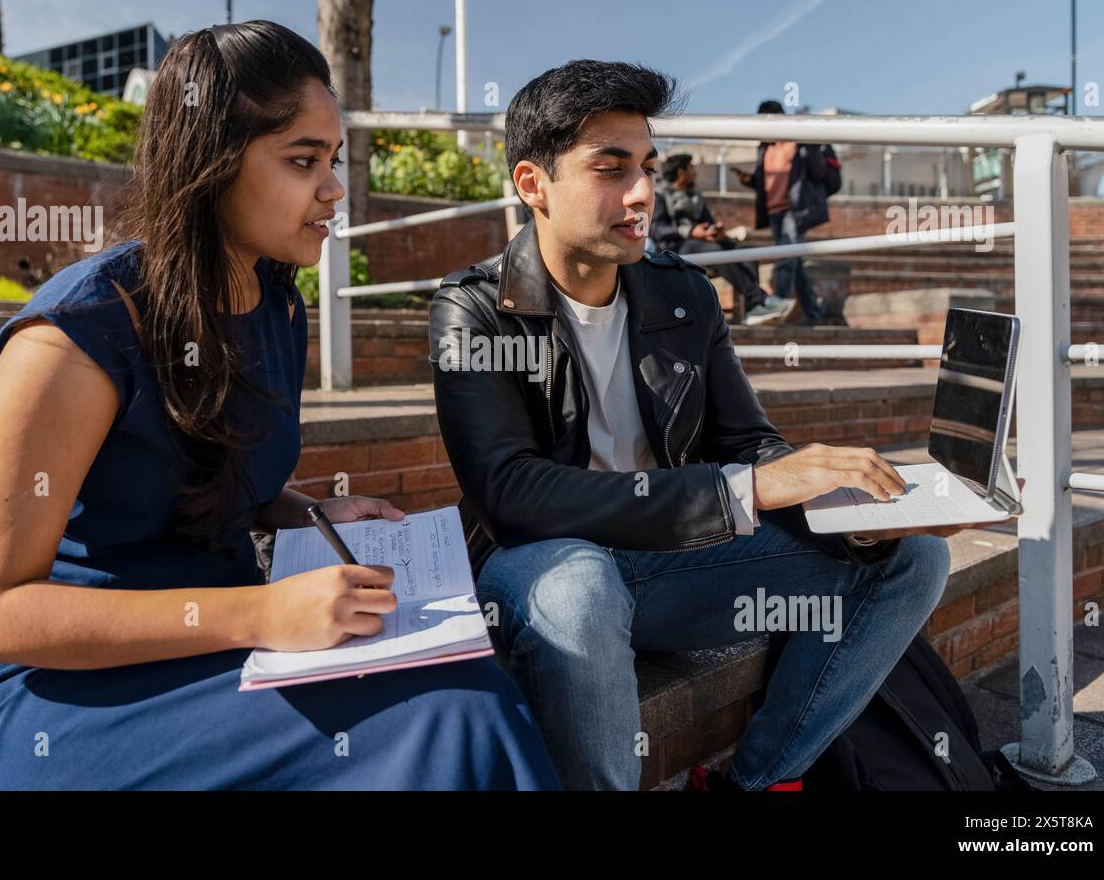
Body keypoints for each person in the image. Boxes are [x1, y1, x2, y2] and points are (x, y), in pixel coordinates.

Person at [0, 21, 561, 791]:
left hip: (225, 642)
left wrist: (307, 513)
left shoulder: (274, 301)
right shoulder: (75, 336)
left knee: (472, 692)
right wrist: (258, 616)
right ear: (207, 166)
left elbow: (216, 479)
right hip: (72, 693)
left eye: (332, 159)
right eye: (302, 160)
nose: (333, 188)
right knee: (454, 718)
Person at [428, 60, 1012, 791]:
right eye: (610, 169)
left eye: (645, 166)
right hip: (541, 570)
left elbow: (749, 446)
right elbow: (508, 491)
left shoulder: (683, 295)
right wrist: (742, 489)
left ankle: (757, 781)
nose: (641, 192)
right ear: (532, 185)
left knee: (911, 557)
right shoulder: (475, 308)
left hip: (670, 565)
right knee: (580, 588)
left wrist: (849, 514)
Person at [650, 153, 794, 325]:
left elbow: (708, 222)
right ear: (681, 172)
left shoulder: (695, 197)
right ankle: (761, 300)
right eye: (691, 169)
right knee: (719, 254)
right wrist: (691, 231)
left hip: (703, 243)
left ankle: (754, 309)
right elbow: (657, 229)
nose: (695, 173)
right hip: (675, 247)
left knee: (747, 253)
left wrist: (716, 232)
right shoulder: (659, 196)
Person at [733, 100, 831, 326]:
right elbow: (765, 180)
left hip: (794, 210)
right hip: (774, 211)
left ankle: (779, 303)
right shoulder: (765, 147)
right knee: (794, 261)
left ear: (777, 117)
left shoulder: (798, 141)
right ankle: (814, 313)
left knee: (787, 257)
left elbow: (818, 172)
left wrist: (812, 145)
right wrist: (750, 180)